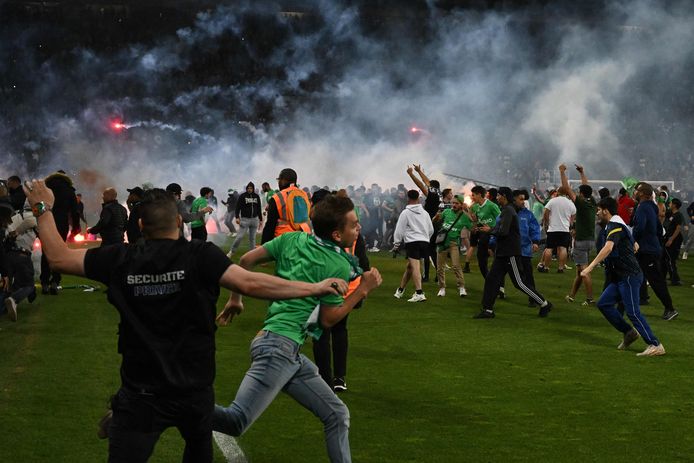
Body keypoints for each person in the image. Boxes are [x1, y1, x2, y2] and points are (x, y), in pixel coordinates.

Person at [22, 181, 350, 462]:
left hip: (141, 396)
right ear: (179, 221)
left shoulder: (120, 258)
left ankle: (119, 417)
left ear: (140, 226)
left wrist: (43, 208)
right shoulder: (199, 255)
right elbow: (250, 283)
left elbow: (59, 258)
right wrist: (315, 287)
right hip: (193, 394)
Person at [213, 193, 382, 463]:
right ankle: (162, 403)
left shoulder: (292, 237)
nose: (359, 227)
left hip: (284, 349)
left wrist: (236, 299)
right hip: (278, 349)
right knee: (236, 421)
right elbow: (328, 320)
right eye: (354, 224)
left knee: (337, 414)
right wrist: (362, 290)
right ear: (337, 235)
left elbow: (245, 262)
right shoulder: (337, 263)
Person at [580, 197, 665, 357]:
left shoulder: (615, 225)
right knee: (604, 304)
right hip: (621, 277)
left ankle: (655, 344)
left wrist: (589, 268)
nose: (597, 213)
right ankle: (629, 333)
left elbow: (609, 247)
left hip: (629, 276)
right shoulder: (619, 224)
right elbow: (635, 245)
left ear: (605, 210)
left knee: (633, 312)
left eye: (598, 209)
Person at [311, 189, 370, 393]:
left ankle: (325, 379)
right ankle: (339, 378)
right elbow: (363, 260)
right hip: (348, 289)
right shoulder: (349, 229)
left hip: (322, 288)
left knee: (320, 332)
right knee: (339, 330)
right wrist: (363, 287)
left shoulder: (316, 233)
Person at [473, 187, 553, 319]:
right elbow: (502, 229)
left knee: (519, 283)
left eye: (498, 196)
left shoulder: (509, 210)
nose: (496, 198)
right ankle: (487, 310)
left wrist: (489, 230)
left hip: (510, 253)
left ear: (504, 196)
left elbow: (503, 231)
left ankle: (544, 303)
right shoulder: (507, 210)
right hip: (502, 253)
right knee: (491, 280)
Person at [631, 183, 678, 320]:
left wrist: (633, 241)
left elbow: (639, 227)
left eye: (637, 191)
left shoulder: (643, 208)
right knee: (635, 274)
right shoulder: (652, 208)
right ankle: (631, 302)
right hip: (651, 248)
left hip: (646, 250)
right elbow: (659, 229)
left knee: (655, 280)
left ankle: (670, 308)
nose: (634, 192)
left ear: (643, 194)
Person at [559, 164, 596, 305]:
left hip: (581, 241)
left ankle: (590, 299)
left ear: (580, 194)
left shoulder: (580, 203)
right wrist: (582, 172)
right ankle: (572, 296)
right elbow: (586, 187)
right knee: (579, 271)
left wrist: (562, 172)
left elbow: (567, 188)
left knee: (584, 271)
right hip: (590, 240)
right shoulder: (591, 201)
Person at [40, 170, 80, 295]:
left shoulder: (46, 189)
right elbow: (75, 211)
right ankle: (55, 282)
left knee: (45, 252)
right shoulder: (69, 190)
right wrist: (75, 228)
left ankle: (45, 283)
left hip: (46, 222)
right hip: (62, 224)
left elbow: (38, 207)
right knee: (58, 252)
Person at [393, 189, 434, 302]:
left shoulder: (405, 213)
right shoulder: (425, 213)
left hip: (412, 242)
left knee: (415, 267)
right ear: (418, 198)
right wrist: (425, 238)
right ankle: (400, 290)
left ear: (408, 198)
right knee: (410, 267)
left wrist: (396, 244)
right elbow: (431, 229)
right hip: (424, 242)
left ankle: (419, 292)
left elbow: (399, 229)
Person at [2, 206, 38, 321]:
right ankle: (14, 299)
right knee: (29, 285)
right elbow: (31, 220)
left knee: (10, 285)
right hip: (21, 254)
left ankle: (4, 306)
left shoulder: (14, 218)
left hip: (8, 257)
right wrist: (17, 232)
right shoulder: (31, 215)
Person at [406, 164, 441, 282]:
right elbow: (426, 183)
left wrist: (411, 174)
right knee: (432, 250)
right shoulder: (437, 194)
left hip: (429, 224)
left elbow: (421, 184)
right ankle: (437, 274)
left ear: (432, 187)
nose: (428, 185)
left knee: (426, 250)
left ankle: (427, 276)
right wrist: (419, 171)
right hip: (435, 224)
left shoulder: (433, 194)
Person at [433, 194, 472, 297]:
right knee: (439, 267)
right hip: (442, 243)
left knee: (456, 266)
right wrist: (436, 217)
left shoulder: (464, 216)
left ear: (461, 204)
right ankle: (442, 287)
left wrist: (467, 212)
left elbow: (472, 226)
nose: (454, 205)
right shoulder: (446, 212)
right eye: (453, 202)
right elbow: (434, 221)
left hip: (454, 243)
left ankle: (461, 287)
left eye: (456, 203)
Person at [261, 168, 311, 244]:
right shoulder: (304, 195)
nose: (278, 183)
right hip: (303, 238)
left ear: (284, 180)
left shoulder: (278, 197)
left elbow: (270, 227)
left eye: (279, 180)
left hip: (284, 241)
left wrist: (264, 246)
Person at [513, 190, 542, 307]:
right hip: (509, 250)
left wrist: (535, 242)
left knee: (527, 276)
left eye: (524, 199)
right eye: (520, 199)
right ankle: (499, 291)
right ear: (514, 200)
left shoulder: (528, 214)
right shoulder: (508, 212)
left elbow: (534, 228)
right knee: (498, 274)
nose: (523, 202)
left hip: (524, 251)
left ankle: (533, 298)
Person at [538, 186, 576, 273]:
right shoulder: (570, 203)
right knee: (563, 248)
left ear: (558, 192)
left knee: (549, 248)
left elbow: (545, 212)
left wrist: (547, 222)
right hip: (564, 229)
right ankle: (561, 268)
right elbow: (573, 215)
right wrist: (569, 224)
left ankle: (546, 267)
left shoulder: (552, 201)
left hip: (553, 228)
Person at [469, 185, 501, 278]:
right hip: (482, 238)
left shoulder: (492, 206)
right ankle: (489, 281)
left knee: (498, 263)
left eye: (473, 195)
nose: (472, 197)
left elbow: (501, 220)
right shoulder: (475, 207)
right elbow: (478, 223)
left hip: (493, 237)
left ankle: (499, 286)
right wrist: (475, 225)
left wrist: (491, 229)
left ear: (479, 194)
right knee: (481, 262)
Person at [228, 182, 262, 256]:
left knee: (252, 239)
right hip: (244, 219)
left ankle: (252, 254)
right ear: (246, 188)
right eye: (248, 188)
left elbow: (259, 208)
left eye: (251, 188)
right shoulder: (242, 196)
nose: (250, 189)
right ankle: (232, 251)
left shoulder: (256, 196)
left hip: (255, 219)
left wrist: (261, 219)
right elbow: (237, 207)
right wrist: (237, 217)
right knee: (239, 237)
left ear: (253, 188)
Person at [663, 198, 684, 285]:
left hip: (675, 240)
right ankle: (672, 276)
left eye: (671, 203)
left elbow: (678, 228)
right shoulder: (670, 213)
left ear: (675, 205)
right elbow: (662, 213)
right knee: (667, 259)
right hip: (668, 238)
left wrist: (671, 239)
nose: (670, 204)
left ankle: (675, 280)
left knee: (671, 259)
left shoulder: (678, 215)